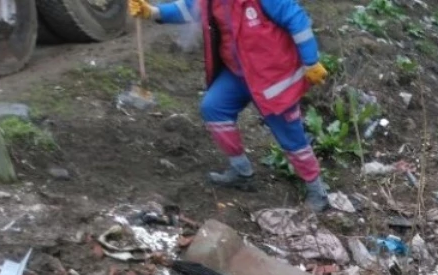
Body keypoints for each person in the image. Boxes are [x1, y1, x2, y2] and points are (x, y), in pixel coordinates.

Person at [128, 0, 331, 211]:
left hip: (272, 77)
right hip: (238, 74)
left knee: (291, 137)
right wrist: (152, 12)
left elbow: (296, 20)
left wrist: (311, 61)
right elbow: (189, 9)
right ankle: (241, 171)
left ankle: (317, 190)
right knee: (214, 108)